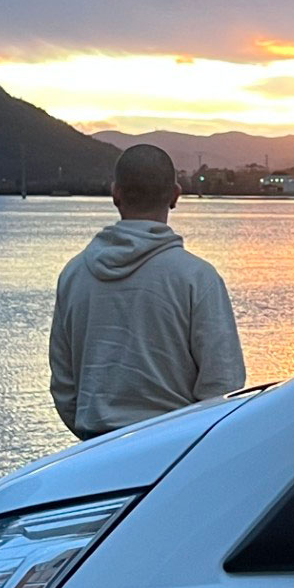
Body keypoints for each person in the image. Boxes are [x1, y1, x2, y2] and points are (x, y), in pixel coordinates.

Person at [50, 143, 246, 439]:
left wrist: (94, 440)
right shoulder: (197, 278)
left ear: (115, 193)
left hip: (98, 450)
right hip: (177, 449)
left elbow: (64, 386)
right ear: (175, 196)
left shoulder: (74, 274)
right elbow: (223, 384)